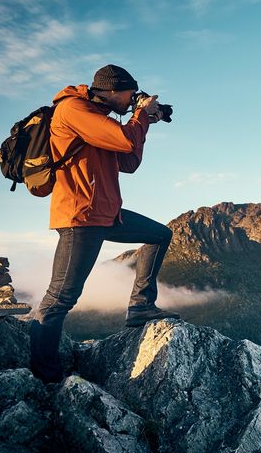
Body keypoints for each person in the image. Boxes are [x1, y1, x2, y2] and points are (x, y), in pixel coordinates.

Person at [29, 64, 180, 384]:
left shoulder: (100, 120)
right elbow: (126, 142)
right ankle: (46, 377)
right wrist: (139, 117)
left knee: (159, 235)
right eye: (130, 94)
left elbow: (128, 162)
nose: (132, 101)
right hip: (81, 217)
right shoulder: (73, 109)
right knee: (59, 299)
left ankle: (140, 307)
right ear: (111, 90)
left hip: (107, 213)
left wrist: (145, 122)